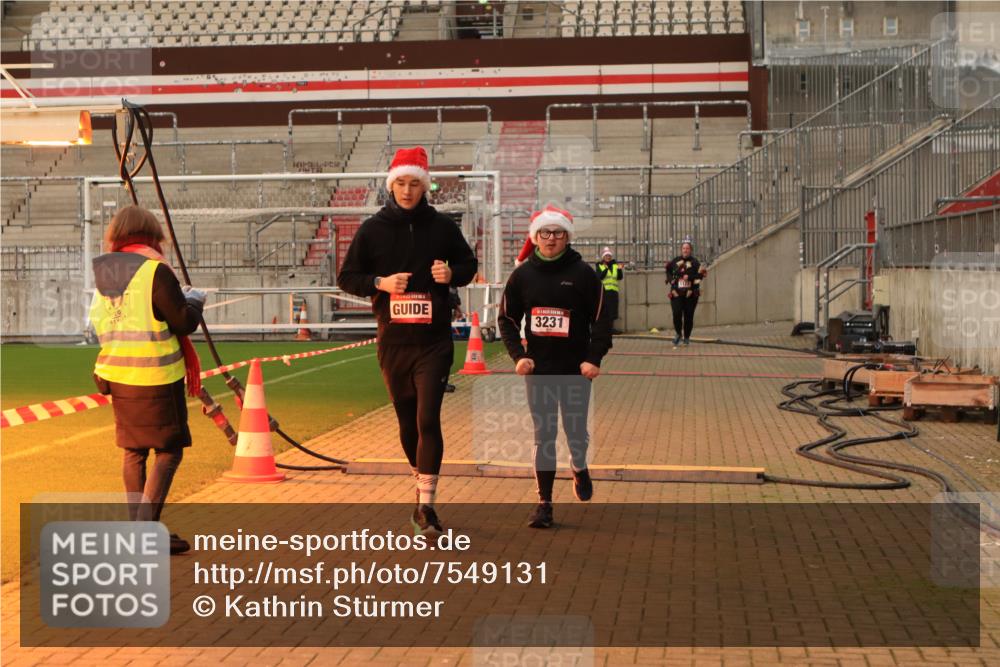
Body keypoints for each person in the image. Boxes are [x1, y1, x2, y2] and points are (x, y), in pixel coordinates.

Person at [338, 146, 478, 537]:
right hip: (394, 341)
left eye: (414, 184)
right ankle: (421, 481)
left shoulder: (443, 227)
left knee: (427, 418)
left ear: (425, 186)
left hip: (434, 342)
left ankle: (426, 505)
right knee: (407, 421)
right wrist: (379, 283)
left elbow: (468, 265)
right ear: (391, 185)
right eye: (400, 183)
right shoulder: (373, 229)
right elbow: (347, 277)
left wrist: (451, 274)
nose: (407, 190)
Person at [89, 205, 207, 555]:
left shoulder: (104, 272)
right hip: (156, 375)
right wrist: (195, 301)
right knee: (169, 451)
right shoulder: (155, 270)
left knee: (134, 451)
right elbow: (182, 321)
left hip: (118, 374)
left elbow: (98, 321)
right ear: (153, 235)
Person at [498, 205, 612, 529]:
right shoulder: (522, 276)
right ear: (535, 237)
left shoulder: (583, 274)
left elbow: (603, 319)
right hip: (539, 371)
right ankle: (544, 504)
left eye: (558, 233)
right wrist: (518, 356)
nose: (551, 238)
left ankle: (579, 466)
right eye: (545, 233)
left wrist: (593, 358)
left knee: (575, 432)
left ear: (567, 237)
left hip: (576, 370)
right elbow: (506, 319)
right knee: (544, 435)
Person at [665, 239, 707, 348]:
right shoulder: (675, 261)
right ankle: (678, 333)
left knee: (689, 316)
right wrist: (670, 280)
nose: (685, 250)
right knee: (677, 313)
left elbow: (701, 275)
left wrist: (690, 277)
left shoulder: (695, 262)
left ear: (690, 250)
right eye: (683, 248)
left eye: (687, 248)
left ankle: (687, 337)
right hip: (676, 293)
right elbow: (668, 270)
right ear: (681, 250)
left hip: (691, 294)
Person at [595, 246, 624, 335]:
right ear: (603, 257)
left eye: (609, 256)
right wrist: (606, 269)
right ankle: (605, 329)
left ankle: (611, 329)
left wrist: (619, 270)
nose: (608, 257)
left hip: (614, 291)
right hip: (605, 291)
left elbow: (619, 277)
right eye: (606, 256)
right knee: (605, 310)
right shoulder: (600, 265)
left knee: (613, 310)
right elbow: (600, 277)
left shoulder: (615, 265)